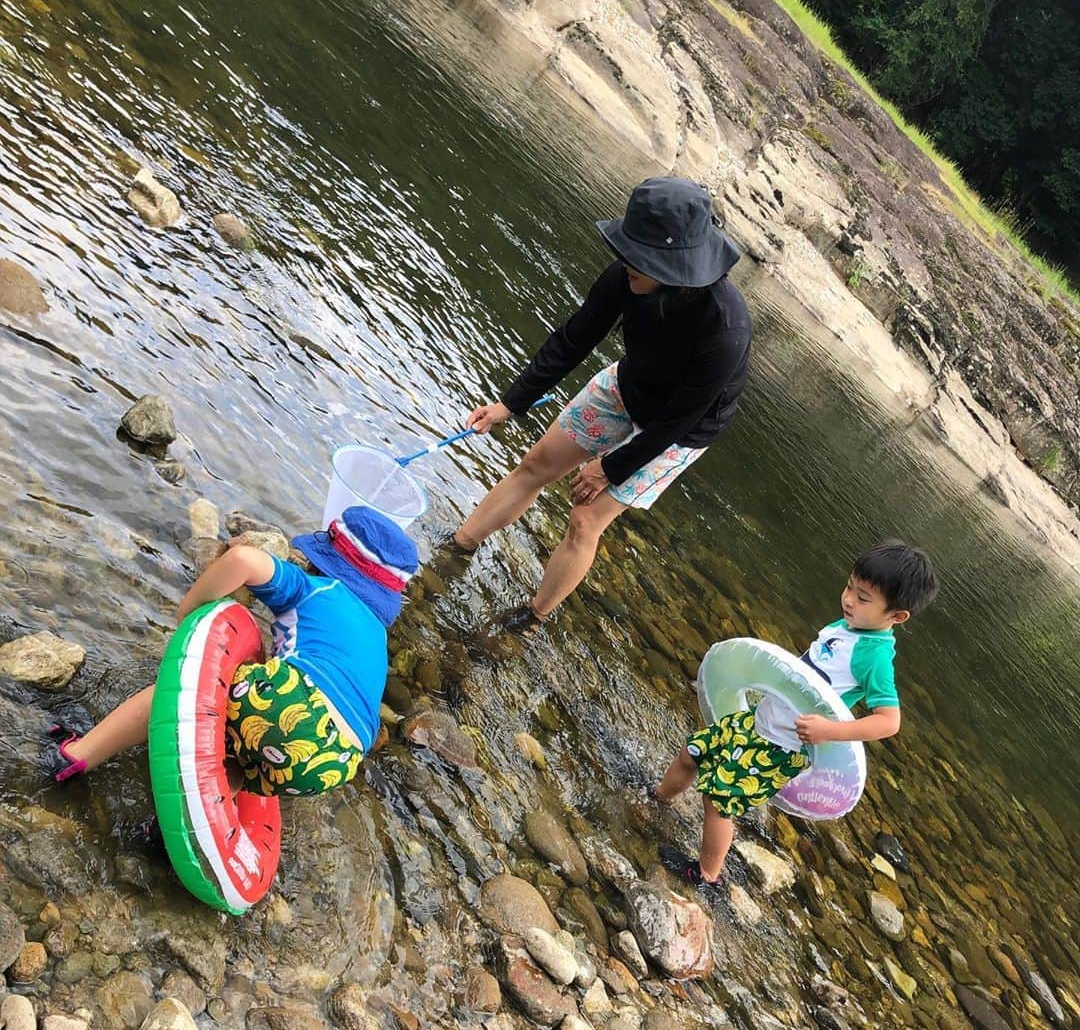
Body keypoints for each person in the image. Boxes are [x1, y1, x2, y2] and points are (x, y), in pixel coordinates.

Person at [451, 176, 750, 634]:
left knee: (585, 518)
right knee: (537, 463)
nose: (625, 262)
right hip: (629, 385)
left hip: (682, 431)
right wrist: (510, 404)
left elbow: (679, 419)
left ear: (675, 267)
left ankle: (532, 617)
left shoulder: (724, 330)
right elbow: (575, 339)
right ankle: (457, 548)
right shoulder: (627, 278)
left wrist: (610, 468)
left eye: (641, 258)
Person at [44, 506, 418, 797]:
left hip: (290, 703)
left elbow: (243, 561)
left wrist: (189, 610)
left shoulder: (316, 589)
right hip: (336, 762)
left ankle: (76, 757)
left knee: (176, 694)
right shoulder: (377, 638)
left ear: (329, 560)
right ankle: (188, 825)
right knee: (243, 758)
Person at [654, 540, 938, 884]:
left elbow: (889, 722)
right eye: (849, 586)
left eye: (863, 598)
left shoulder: (873, 658)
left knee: (718, 801)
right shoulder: (847, 625)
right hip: (758, 721)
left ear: (896, 616)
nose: (848, 599)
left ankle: (706, 874)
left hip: (781, 747)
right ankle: (658, 800)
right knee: (692, 752)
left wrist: (829, 732)